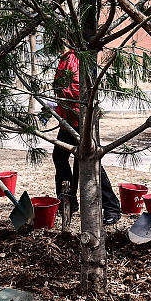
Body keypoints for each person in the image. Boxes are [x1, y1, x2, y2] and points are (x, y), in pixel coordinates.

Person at [46, 49, 121, 225]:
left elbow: (75, 89)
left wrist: (59, 102)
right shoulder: (67, 56)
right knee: (60, 156)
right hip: (69, 117)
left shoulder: (77, 57)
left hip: (79, 119)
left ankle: (111, 207)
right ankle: (68, 201)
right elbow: (62, 87)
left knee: (90, 160)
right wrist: (56, 104)